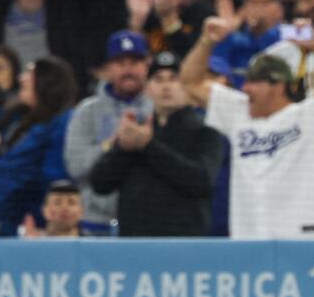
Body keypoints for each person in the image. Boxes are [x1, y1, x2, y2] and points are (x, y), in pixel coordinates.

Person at [90, 51, 224, 237]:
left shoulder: (206, 129)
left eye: (174, 79)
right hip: (135, 243)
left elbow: (202, 180)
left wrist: (149, 146)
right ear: (147, 88)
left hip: (184, 244)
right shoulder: (137, 129)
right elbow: (99, 183)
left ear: (187, 86)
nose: (166, 86)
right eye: (158, 79)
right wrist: (122, 149)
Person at [63, 30, 154, 229]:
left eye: (135, 63)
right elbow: (76, 167)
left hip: (148, 221)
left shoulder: (158, 109)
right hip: (95, 222)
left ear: (147, 66)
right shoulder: (86, 111)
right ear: (109, 68)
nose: (128, 70)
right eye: (121, 64)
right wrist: (111, 144)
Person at [0, 56, 78, 236]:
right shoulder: (18, 120)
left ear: (47, 83)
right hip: (8, 221)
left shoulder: (63, 124)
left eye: (30, 74)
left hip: (36, 226)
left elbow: (55, 178)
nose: (22, 78)